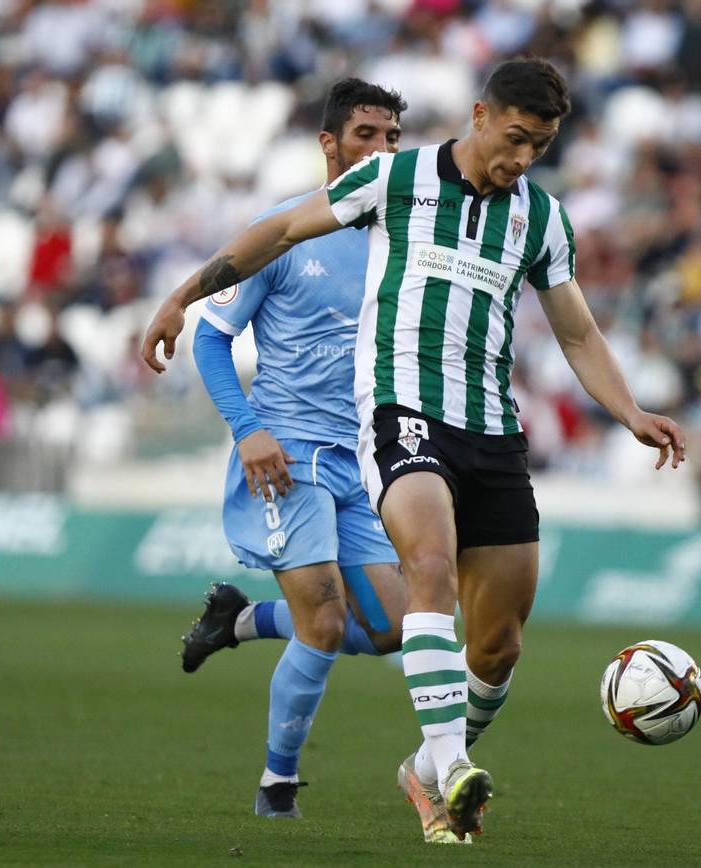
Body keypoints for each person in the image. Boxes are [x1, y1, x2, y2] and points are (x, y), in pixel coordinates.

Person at [142, 59, 687, 844]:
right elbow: (282, 230)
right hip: (398, 415)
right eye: (516, 138)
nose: (523, 158)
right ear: (479, 114)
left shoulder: (542, 220)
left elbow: (576, 331)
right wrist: (180, 297)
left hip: (492, 431)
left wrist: (629, 409)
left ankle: (424, 771)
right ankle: (408, 770)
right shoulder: (398, 182)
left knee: (495, 642)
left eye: (541, 146)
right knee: (416, 574)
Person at [175, 79, 413, 822]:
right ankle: (277, 789)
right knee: (321, 623)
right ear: (329, 143)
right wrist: (250, 431)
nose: (381, 150)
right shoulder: (283, 229)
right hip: (288, 456)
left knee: (390, 631)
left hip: (363, 459)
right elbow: (211, 339)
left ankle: (239, 622)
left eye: (391, 138)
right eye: (366, 135)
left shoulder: (400, 233)